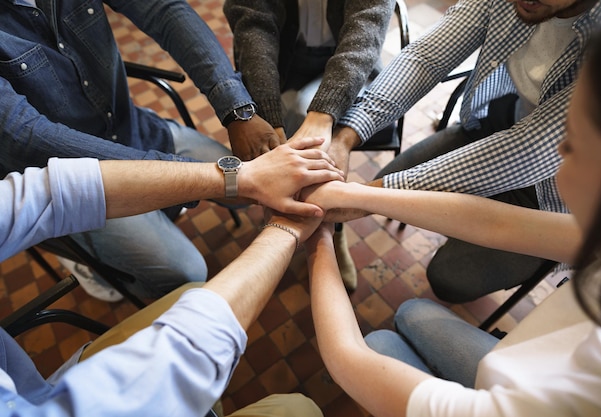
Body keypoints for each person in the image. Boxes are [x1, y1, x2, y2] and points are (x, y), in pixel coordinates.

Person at [302, 10, 601, 416]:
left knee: (381, 343)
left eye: (572, 144)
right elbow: (499, 223)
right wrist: (359, 190)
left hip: (513, 392)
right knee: (413, 312)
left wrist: (319, 240)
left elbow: (348, 359)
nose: (559, 153)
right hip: (521, 364)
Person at [0, 136, 341, 415]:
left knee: (191, 288)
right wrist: (285, 229)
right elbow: (165, 376)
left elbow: (50, 193)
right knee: (299, 410)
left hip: (39, 390)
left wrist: (241, 177)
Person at [324, 0, 601, 303]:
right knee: (388, 185)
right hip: (498, 125)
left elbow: (528, 153)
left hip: (549, 193)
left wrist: (365, 197)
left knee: (447, 277)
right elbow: (426, 56)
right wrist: (345, 140)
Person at [0, 0, 280, 302]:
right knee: (187, 273)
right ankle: (83, 257)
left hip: (131, 130)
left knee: (241, 193)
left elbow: (163, 9)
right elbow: (24, 134)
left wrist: (236, 110)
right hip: (65, 183)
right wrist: (194, 176)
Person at [223, 0, 395, 290]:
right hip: (281, 60)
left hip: (351, 61)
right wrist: (270, 114)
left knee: (313, 129)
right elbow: (254, 24)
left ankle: (327, 228)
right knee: (277, 132)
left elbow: (364, 30)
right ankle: (301, 218)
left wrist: (324, 113)